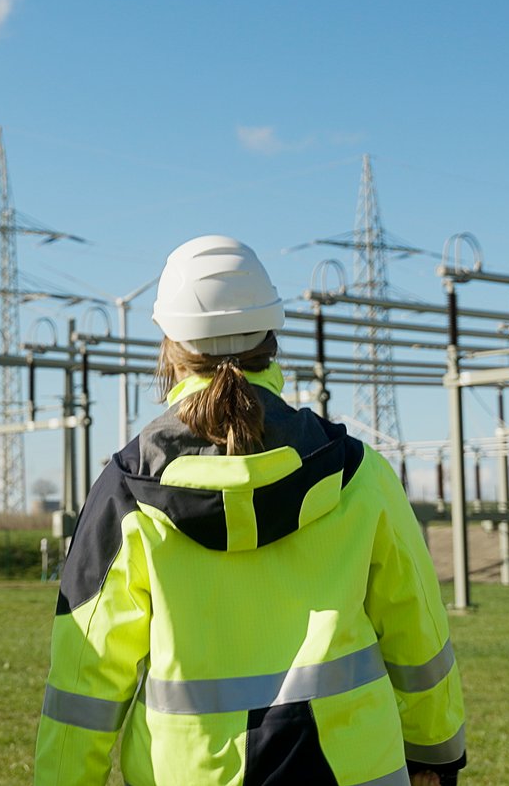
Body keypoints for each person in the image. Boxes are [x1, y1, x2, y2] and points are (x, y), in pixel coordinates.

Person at [34, 236, 467, 786]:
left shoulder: (127, 493)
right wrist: (436, 753)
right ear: (271, 338)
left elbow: (86, 676)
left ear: (171, 348)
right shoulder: (357, 473)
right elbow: (417, 629)